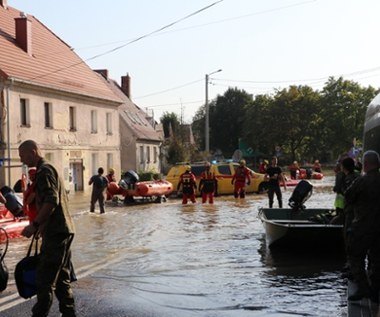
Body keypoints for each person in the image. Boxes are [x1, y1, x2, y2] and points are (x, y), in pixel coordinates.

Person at [18, 140, 76, 317]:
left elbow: (51, 201)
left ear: (33, 152)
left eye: (23, 156)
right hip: (62, 230)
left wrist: (34, 224)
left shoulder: (44, 171)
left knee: (44, 281)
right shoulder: (48, 169)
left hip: (56, 232)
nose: (22, 160)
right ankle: (69, 313)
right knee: (61, 280)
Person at [344, 150, 380, 302]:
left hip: (362, 227)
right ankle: (376, 291)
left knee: (355, 257)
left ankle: (363, 288)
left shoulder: (362, 181)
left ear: (365, 164)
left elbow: (348, 196)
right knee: (377, 259)